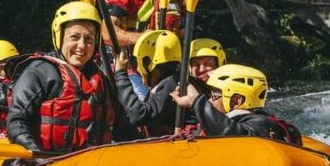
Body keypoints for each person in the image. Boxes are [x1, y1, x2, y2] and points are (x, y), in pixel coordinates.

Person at [5, 1, 115, 153]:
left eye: (89, 39)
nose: (82, 45)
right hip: (47, 162)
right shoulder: (39, 72)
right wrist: (38, 156)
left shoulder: (101, 79)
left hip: (90, 164)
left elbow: (123, 126)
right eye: (74, 37)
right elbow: (16, 121)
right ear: (60, 37)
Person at [170, 64, 302, 145]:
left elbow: (229, 134)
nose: (210, 101)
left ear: (236, 101)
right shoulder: (240, 121)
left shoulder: (260, 124)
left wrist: (196, 100)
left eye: (214, 96)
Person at [114, 30, 184, 137]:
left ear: (150, 62)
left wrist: (121, 74)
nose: (138, 68)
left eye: (140, 62)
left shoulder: (171, 85)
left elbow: (137, 115)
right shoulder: (169, 83)